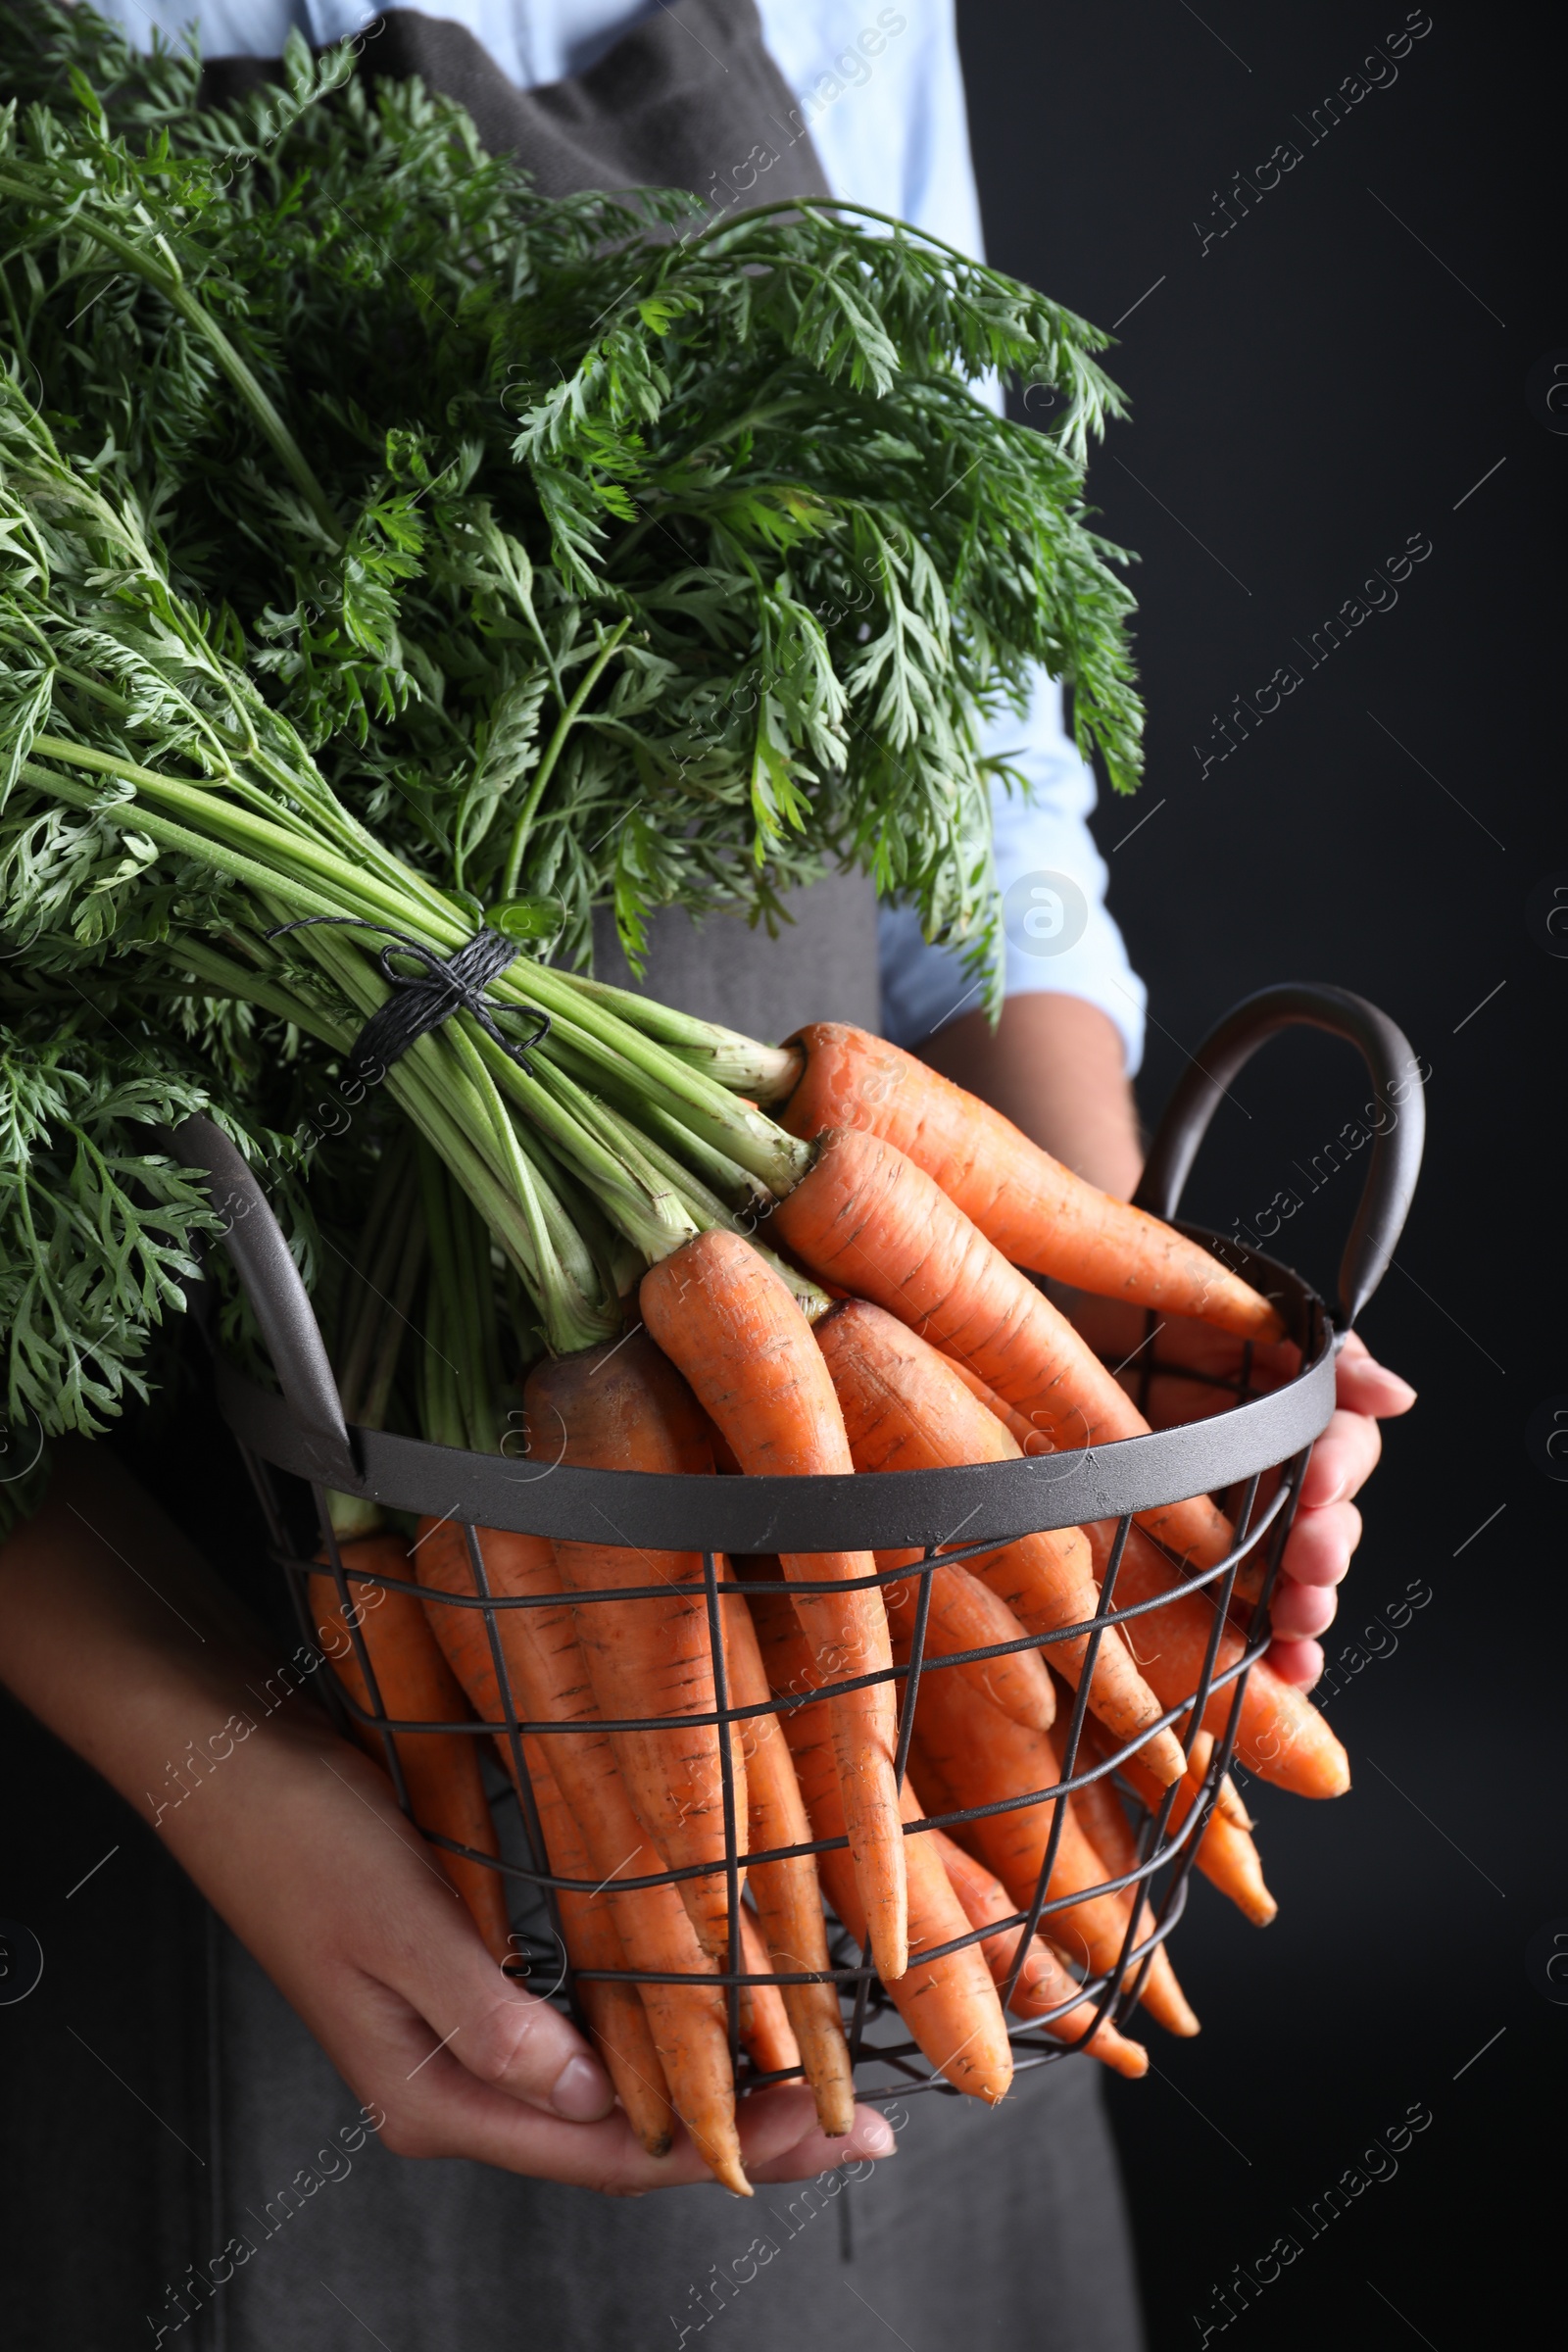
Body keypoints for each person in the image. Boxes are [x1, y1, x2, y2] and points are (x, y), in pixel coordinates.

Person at [0, 7, 1415, 2347]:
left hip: (866, 1583)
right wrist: (225, 1767)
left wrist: (1087, 1385)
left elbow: (973, 771)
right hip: (161, 1700)